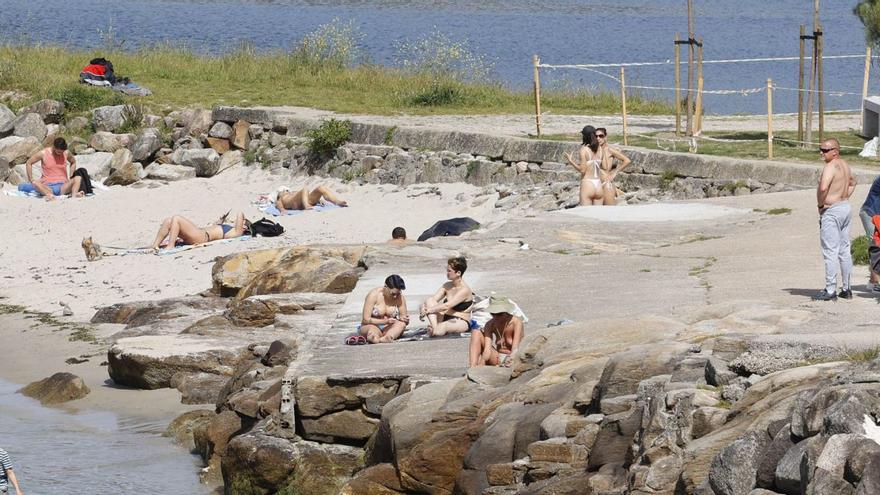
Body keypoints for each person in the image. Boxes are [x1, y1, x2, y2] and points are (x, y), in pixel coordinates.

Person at [812, 138, 856, 301]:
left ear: (835, 151)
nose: (821, 153)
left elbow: (823, 188)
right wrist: (843, 197)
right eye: (821, 149)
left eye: (825, 150)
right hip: (845, 207)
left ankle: (830, 290)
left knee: (830, 250)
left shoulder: (830, 167)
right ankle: (846, 288)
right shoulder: (844, 165)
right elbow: (853, 182)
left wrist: (820, 205)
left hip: (832, 210)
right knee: (844, 249)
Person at [420, 256, 474, 337]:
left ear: (458, 273)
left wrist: (428, 311)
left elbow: (447, 305)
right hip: (445, 317)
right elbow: (433, 300)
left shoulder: (464, 290)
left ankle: (435, 330)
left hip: (460, 320)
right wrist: (423, 308)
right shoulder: (447, 285)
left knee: (443, 326)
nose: (447, 273)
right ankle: (435, 328)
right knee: (429, 300)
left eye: (449, 271)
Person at [150, 211, 250, 252]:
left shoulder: (237, 233)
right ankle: (155, 245)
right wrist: (220, 221)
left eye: (243, 223)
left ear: (244, 227)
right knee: (169, 221)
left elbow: (240, 213)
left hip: (202, 237)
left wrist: (245, 220)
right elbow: (215, 230)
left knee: (176, 218)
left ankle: (170, 246)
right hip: (200, 233)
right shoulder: (231, 229)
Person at [468, 296, 524, 367]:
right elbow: (487, 350)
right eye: (493, 314)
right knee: (476, 332)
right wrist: (482, 363)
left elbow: (515, 348)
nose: (496, 317)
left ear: (506, 312)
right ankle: (472, 368)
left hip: (513, 356)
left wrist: (510, 359)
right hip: (498, 357)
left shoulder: (516, 322)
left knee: (514, 354)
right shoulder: (490, 324)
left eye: (499, 314)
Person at [358, 275, 409, 343]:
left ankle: (388, 337)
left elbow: (403, 317)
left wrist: (405, 320)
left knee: (401, 324)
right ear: (385, 286)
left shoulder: (399, 297)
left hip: (389, 328)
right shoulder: (373, 295)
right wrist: (385, 321)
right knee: (371, 330)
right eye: (393, 294)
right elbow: (365, 320)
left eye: (398, 293)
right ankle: (374, 337)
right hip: (372, 325)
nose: (395, 296)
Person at [564, 125, 606, 206]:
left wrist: (571, 161)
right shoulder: (601, 150)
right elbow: (603, 167)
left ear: (584, 136)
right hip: (598, 185)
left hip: (588, 184)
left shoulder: (584, 150)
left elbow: (582, 170)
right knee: (598, 215)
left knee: (586, 214)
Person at [595, 127, 632, 205]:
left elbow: (627, 160)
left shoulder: (609, 150)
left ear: (605, 137)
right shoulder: (593, 151)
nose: (598, 138)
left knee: (609, 211)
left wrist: (615, 173)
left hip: (606, 184)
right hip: (596, 185)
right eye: (596, 136)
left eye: (601, 136)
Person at [859, 175, 880, 292]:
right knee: (876, 248)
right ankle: (876, 283)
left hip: (877, 215)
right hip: (870, 214)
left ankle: (872, 282)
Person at [274, 185, 348, 214]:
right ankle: (307, 206)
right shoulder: (280, 198)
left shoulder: (293, 193)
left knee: (321, 188)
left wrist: (319, 200)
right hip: (295, 204)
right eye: (283, 191)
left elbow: (305, 195)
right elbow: (278, 205)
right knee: (305, 189)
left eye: (286, 190)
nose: (285, 191)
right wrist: (282, 210)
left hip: (303, 200)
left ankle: (337, 202)